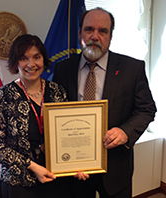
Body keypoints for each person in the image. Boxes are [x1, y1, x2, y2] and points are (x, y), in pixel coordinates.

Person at [52, 7, 157, 198]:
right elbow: (56, 113)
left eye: (103, 31)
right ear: (79, 33)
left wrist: (125, 131)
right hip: (75, 167)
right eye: (89, 29)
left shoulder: (132, 68)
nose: (95, 36)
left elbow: (147, 109)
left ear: (110, 36)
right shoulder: (63, 68)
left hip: (115, 166)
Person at [0, 34, 71, 198]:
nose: (31, 64)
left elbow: (68, 134)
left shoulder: (58, 92)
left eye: (36, 57)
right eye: (24, 58)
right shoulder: (3, 96)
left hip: (56, 180)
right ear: (15, 62)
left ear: (43, 59)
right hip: (19, 184)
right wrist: (32, 166)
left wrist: (78, 164)